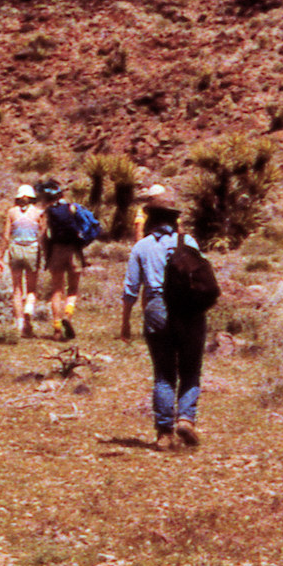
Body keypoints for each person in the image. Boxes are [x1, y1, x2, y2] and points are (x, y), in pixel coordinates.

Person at [120, 190, 207, 451]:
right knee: (190, 369)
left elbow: (131, 289)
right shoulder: (188, 241)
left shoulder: (142, 246)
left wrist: (125, 322)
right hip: (189, 308)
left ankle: (163, 433)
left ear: (150, 219)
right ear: (173, 219)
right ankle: (186, 419)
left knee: (164, 373)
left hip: (157, 307)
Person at [37, 178, 82, 339]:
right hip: (73, 252)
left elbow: (42, 236)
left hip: (56, 251)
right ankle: (67, 316)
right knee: (73, 289)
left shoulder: (46, 213)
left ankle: (56, 329)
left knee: (57, 290)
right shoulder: (72, 208)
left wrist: (46, 254)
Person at [0, 183, 42, 335]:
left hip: (15, 250)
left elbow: (6, 236)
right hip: (32, 250)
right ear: (32, 198)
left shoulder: (11, 212)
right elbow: (42, 235)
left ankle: (19, 324)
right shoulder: (38, 213)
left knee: (16, 288)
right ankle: (28, 309)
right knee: (31, 288)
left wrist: (0, 256)